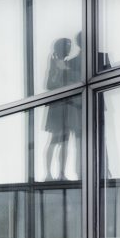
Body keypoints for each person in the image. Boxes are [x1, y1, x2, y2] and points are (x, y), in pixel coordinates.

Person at [43, 37, 79, 180]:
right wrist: (61, 72)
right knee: (56, 139)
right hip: (59, 107)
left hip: (66, 107)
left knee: (64, 140)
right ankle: (50, 173)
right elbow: (50, 85)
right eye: (68, 46)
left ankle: (60, 173)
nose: (70, 49)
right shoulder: (56, 63)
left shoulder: (64, 63)